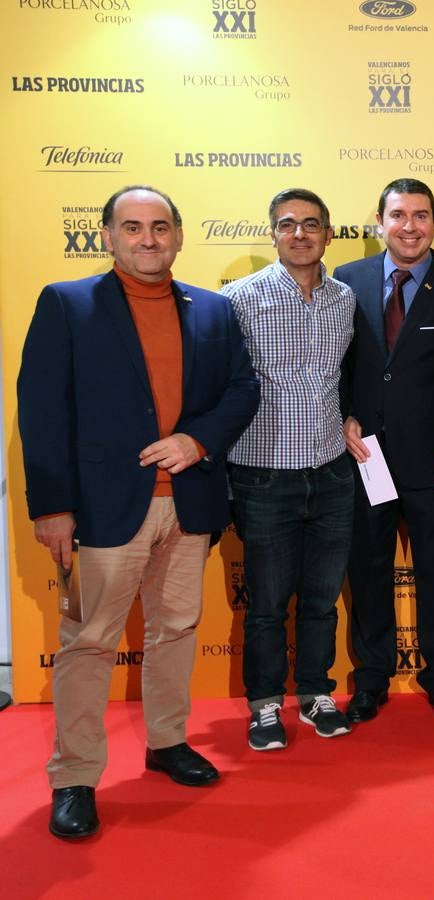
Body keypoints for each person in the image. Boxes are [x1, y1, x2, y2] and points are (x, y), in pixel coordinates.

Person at [17, 185, 259, 839]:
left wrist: (196, 439)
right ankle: (74, 776)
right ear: (107, 236)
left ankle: (166, 742)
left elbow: (243, 389)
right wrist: (54, 506)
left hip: (189, 502)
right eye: (132, 227)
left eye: (159, 227)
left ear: (178, 236)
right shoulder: (66, 304)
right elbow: (40, 410)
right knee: (89, 642)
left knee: (176, 629)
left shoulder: (212, 310)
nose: (147, 239)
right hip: (99, 510)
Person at [223, 188, 357, 750]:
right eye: (287, 225)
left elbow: (350, 376)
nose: (299, 233)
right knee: (268, 605)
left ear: (329, 234)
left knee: (323, 598)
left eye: (311, 224)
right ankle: (264, 703)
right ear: (273, 234)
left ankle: (316, 690)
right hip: (264, 476)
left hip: (331, 471)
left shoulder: (346, 298)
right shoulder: (238, 299)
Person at [335, 179, 434, 724]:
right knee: (367, 571)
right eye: (397, 215)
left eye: (420, 215)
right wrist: (339, 415)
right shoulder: (346, 281)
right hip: (365, 455)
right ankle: (370, 677)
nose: (408, 226)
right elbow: (331, 362)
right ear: (379, 221)